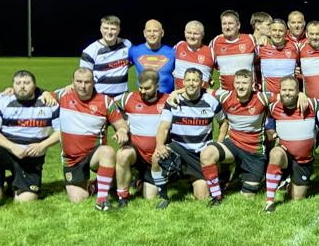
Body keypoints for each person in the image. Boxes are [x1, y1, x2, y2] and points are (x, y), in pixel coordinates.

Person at [0, 70, 61, 212]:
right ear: (13, 85)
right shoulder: (3, 103)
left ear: (35, 86)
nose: (22, 86)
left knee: (25, 202)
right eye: (18, 83)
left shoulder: (49, 104)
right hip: (6, 151)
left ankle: (12, 181)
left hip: (31, 157)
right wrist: (12, 146)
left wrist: (42, 145)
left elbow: (61, 132)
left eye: (26, 83)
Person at [55, 68, 129, 210]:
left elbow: (121, 125)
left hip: (94, 154)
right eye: (79, 81)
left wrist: (122, 131)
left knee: (107, 151)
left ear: (94, 82)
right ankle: (94, 186)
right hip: (71, 158)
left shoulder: (105, 101)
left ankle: (102, 200)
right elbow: (40, 96)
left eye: (87, 82)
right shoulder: (63, 95)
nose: (83, 86)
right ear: (72, 82)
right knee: (78, 199)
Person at [151, 68, 224, 208]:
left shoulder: (211, 101)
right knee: (156, 156)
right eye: (188, 80)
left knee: (202, 197)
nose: (191, 84)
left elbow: (224, 122)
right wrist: (160, 145)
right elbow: (163, 127)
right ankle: (163, 196)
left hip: (200, 155)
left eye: (195, 80)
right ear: (183, 82)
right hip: (178, 149)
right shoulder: (173, 101)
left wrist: (219, 144)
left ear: (202, 83)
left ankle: (190, 179)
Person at [199, 69, 272, 204]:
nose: (241, 86)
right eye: (237, 82)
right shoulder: (225, 96)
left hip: (254, 151)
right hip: (233, 144)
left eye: (245, 83)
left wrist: (302, 96)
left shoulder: (262, 98)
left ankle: (246, 175)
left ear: (252, 84)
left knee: (247, 197)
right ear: (233, 84)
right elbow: (201, 89)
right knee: (207, 154)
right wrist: (176, 92)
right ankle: (216, 196)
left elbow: (285, 96)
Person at [264, 76, 319, 212]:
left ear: (298, 91)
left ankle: (289, 182)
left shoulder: (312, 104)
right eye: (284, 89)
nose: (287, 93)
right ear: (279, 91)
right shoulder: (273, 108)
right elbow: (269, 128)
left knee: (297, 198)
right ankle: (270, 201)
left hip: (304, 160)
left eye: (291, 90)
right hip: (285, 156)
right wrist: (272, 134)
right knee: (275, 153)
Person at [114, 69, 169, 204]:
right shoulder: (127, 98)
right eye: (140, 87)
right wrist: (121, 127)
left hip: (157, 156)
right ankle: (123, 197)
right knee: (122, 154)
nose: (143, 91)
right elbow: (107, 104)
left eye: (147, 88)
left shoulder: (168, 101)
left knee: (149, 197)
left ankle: (140, 179)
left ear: (157, 86)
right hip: (136, 153)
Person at [79, 14, 132, 97]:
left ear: (119, 30)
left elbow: (134, 60)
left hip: (122, 98)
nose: (109, 32)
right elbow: (83, 77)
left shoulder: (127, 45)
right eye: (106, 28)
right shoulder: (90, 51)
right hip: (100, 99)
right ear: (100, 29)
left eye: (113, 29)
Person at [210, 10, 260, 91]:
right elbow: (208, 64)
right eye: (224, 24)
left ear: (238, 25)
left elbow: (261, 59)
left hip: (250, 93)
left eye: (230, 23)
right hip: (225, 94)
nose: (227, 27)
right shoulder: (215, 42)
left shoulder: (250, 39)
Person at [129, 19, 175, 93]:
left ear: (162, 33)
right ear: (144, 33)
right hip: (143, 99)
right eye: (149, 31)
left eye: (155, 31)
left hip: (166, 100)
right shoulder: (134, 51)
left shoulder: (172, 52)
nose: (152, 34)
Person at [258, 18, 299, 94]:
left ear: (286, 33)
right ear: (269, 32)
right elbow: (253, 66)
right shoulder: (261, 47)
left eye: (280, 31)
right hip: (269, 98)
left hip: (289, 97)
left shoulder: (294, 47)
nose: (277, 33)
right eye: (274, 30)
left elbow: (301, 66)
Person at [172, 20, 215, 90]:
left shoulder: (211, 52)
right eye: (189, 33)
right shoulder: (178, 46)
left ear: (202, 35)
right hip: (179, 98)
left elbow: (222, 71)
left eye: (195, 34)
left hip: (202, 98)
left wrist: (211, 80)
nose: (192, 36)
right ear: (184, 33)